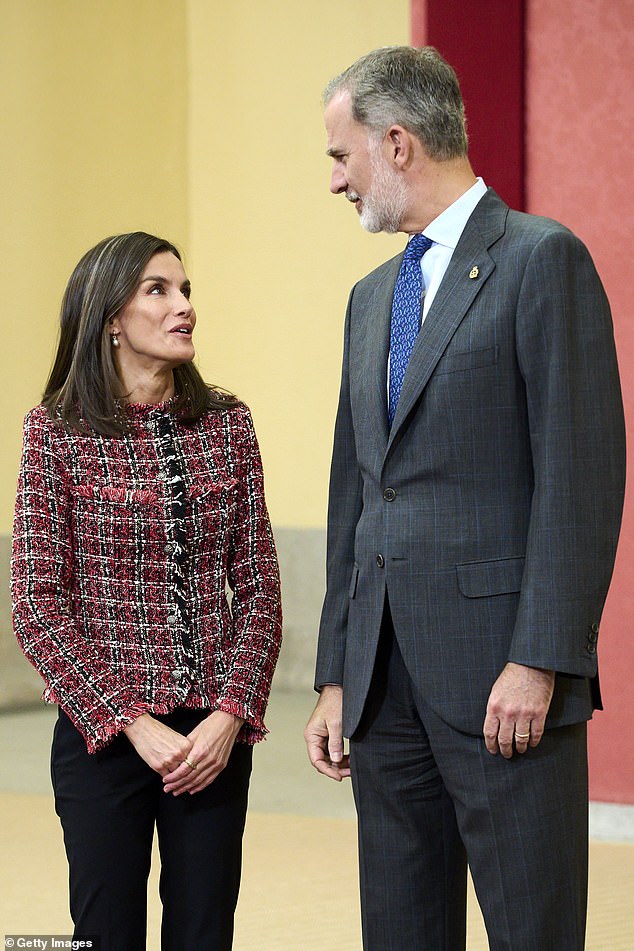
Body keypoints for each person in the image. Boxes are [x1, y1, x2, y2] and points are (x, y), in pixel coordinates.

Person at [304, 46, 625, 951]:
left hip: (503, 683)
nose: (335, 181)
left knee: (533, 930)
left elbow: (583, 474)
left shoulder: (541, 259)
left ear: (397, 143)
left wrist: (542, 658)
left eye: (341, 155)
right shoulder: (371, 298)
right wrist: (335, 673)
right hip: (383, 686)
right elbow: (354, 494)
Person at [11, 231, 282, 951]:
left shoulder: (228, 425)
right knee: (103, 936)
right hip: (104, 739)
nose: (183, 305)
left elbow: (258, 586)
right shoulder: (55, 433)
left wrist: (231, 715)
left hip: (213, 743)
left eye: (186, 289)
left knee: (204, 934)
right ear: (110, 318)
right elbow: (36, 602)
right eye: (159, 290)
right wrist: (131, 720)